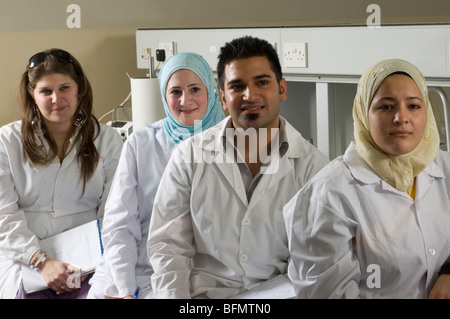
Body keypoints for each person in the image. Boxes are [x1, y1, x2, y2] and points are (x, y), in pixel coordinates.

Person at [147, 36, 330, 299]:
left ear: (282, 89)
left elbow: (316, 261)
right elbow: (168, 249)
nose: (250, 95)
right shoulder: (188, 157)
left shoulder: (314, 169)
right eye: (237, 86)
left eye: (262, 82)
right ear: (223, 97)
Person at [283, 58, 450, 299]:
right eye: (385, 107)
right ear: (363, 114)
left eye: (413, 106)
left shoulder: (444, 167)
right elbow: (328, 293)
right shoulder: (329, 194)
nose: (401, 118)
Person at [87, 52, 225, 299]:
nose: (186, 100)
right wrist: (125, 289)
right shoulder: (141, 144)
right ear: (164, 95)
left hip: (199, 272)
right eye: (175, 92)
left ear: (211, 92)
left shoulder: (231, 145)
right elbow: (120, 224)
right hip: (136, 265)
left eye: (195, 89)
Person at [0, 49, 124, 299]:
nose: (57, 99)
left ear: (79, 90)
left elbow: (114, 211)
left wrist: (93, 261)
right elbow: (4, 215)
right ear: (32, 95)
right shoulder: (7, 141)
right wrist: (42, 262)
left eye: (64, 88)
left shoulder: (106, 140)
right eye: (46, 91)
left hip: (91, 262)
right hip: (27, 261)